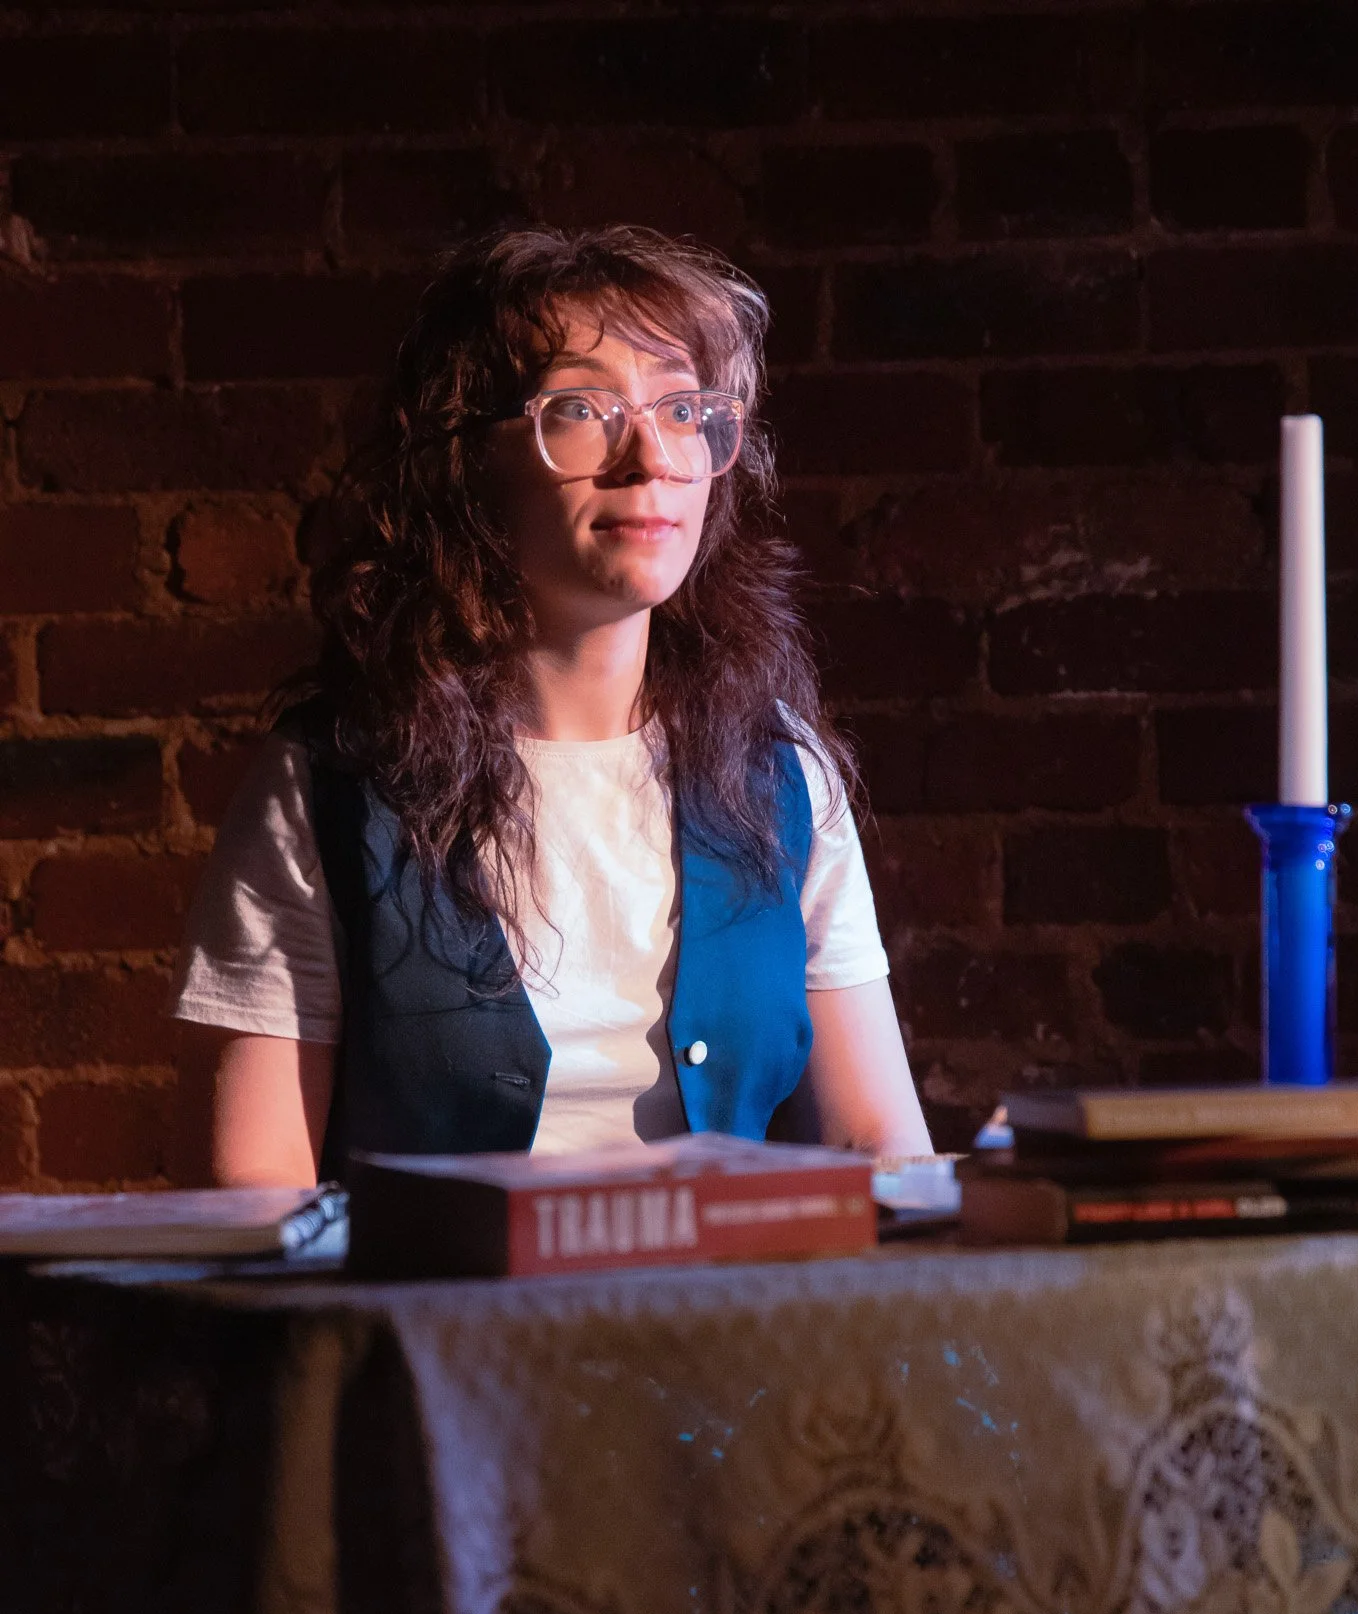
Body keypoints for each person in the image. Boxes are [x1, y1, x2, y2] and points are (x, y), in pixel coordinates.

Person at [170, 224, 933, 1187]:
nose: (651, 455)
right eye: (582, 407)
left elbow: (878, 1145)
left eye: (686, 410)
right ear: (466, 460)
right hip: (436, 1329)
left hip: (733, 1322)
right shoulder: (330, 784)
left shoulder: (777, 772)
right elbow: (254, 1191)